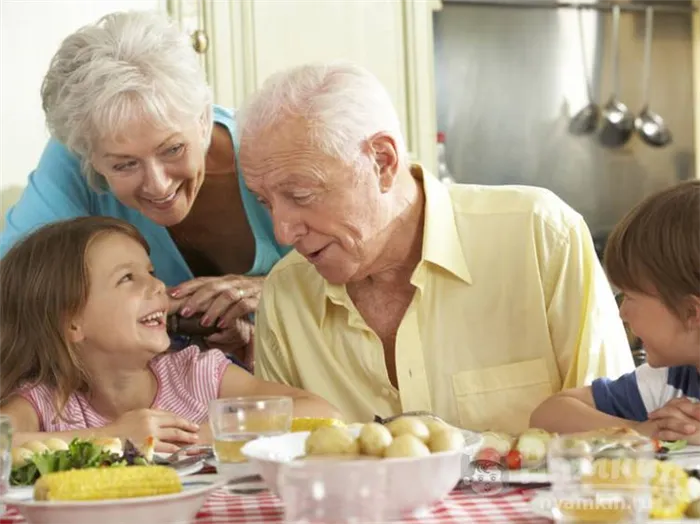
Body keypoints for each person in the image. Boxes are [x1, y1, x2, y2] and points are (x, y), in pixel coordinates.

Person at [235, 61, 634, 432]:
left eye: (301, 195)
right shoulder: (287, 294)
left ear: (382, 162)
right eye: (265, 202)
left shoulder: (540, 235)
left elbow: (613, 436)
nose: (283, 234)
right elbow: (285, 469)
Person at [0, 11, 290, 370]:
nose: (158, 184)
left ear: (201, 119)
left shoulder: (271, 152)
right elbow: (15, 291)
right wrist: (170, 313)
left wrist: (275, 290)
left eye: (173, 149)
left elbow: (363, 274)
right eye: (124, 164)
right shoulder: (74, 159)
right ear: (90, 157)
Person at [0, 217, 340, 453]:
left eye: (151, 271)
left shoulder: (197, 375)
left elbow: (322, 412)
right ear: (73, 323)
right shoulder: (48, 403)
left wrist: (200, 437)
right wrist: (111, 438)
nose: (158, 285)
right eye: (127, 279)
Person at [531, 181, 700, 443]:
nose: (622, 313)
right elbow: (549, 414)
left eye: (631, 297)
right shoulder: (668, 382)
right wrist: (638, 431)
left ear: (692, 313)